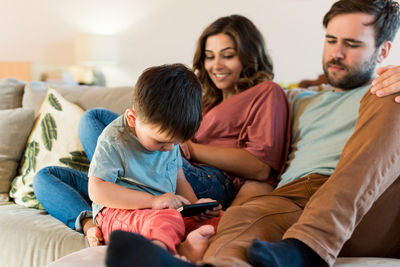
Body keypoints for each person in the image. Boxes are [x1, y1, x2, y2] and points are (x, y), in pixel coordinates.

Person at [104, 1, 400, 267]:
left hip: (370, 208)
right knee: (240, 218)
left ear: (383, 50)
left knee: (391, 95)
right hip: (293, 200)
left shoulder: (387, 90)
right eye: (331, 40)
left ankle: (311, 245)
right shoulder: (297, 98)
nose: (336, 53)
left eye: (351, 44)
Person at [33, 15, 291, 246]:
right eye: (209, 56)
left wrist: (190, 148)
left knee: (96, 121)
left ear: (248, 55)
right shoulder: (204, 98)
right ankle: (94, 222)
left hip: (210, 177)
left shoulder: (266, 92)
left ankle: (129, 201)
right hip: (170, 170)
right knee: (47, 176)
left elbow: (260, 167)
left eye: (228, 55)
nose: (216, 65)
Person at [88, 63, 224, 261]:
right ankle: (159, 257)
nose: (169, 149)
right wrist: (153, 201)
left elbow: (180, 181)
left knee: (222, 218)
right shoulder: (114, 138)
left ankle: (188, 249)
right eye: (161, 142)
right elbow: (96, 190)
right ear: (133, 118)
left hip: (164, 212)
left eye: (175, 143)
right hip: (119, 212)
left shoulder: (168, 139)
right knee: (167, 219)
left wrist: (195, 207)